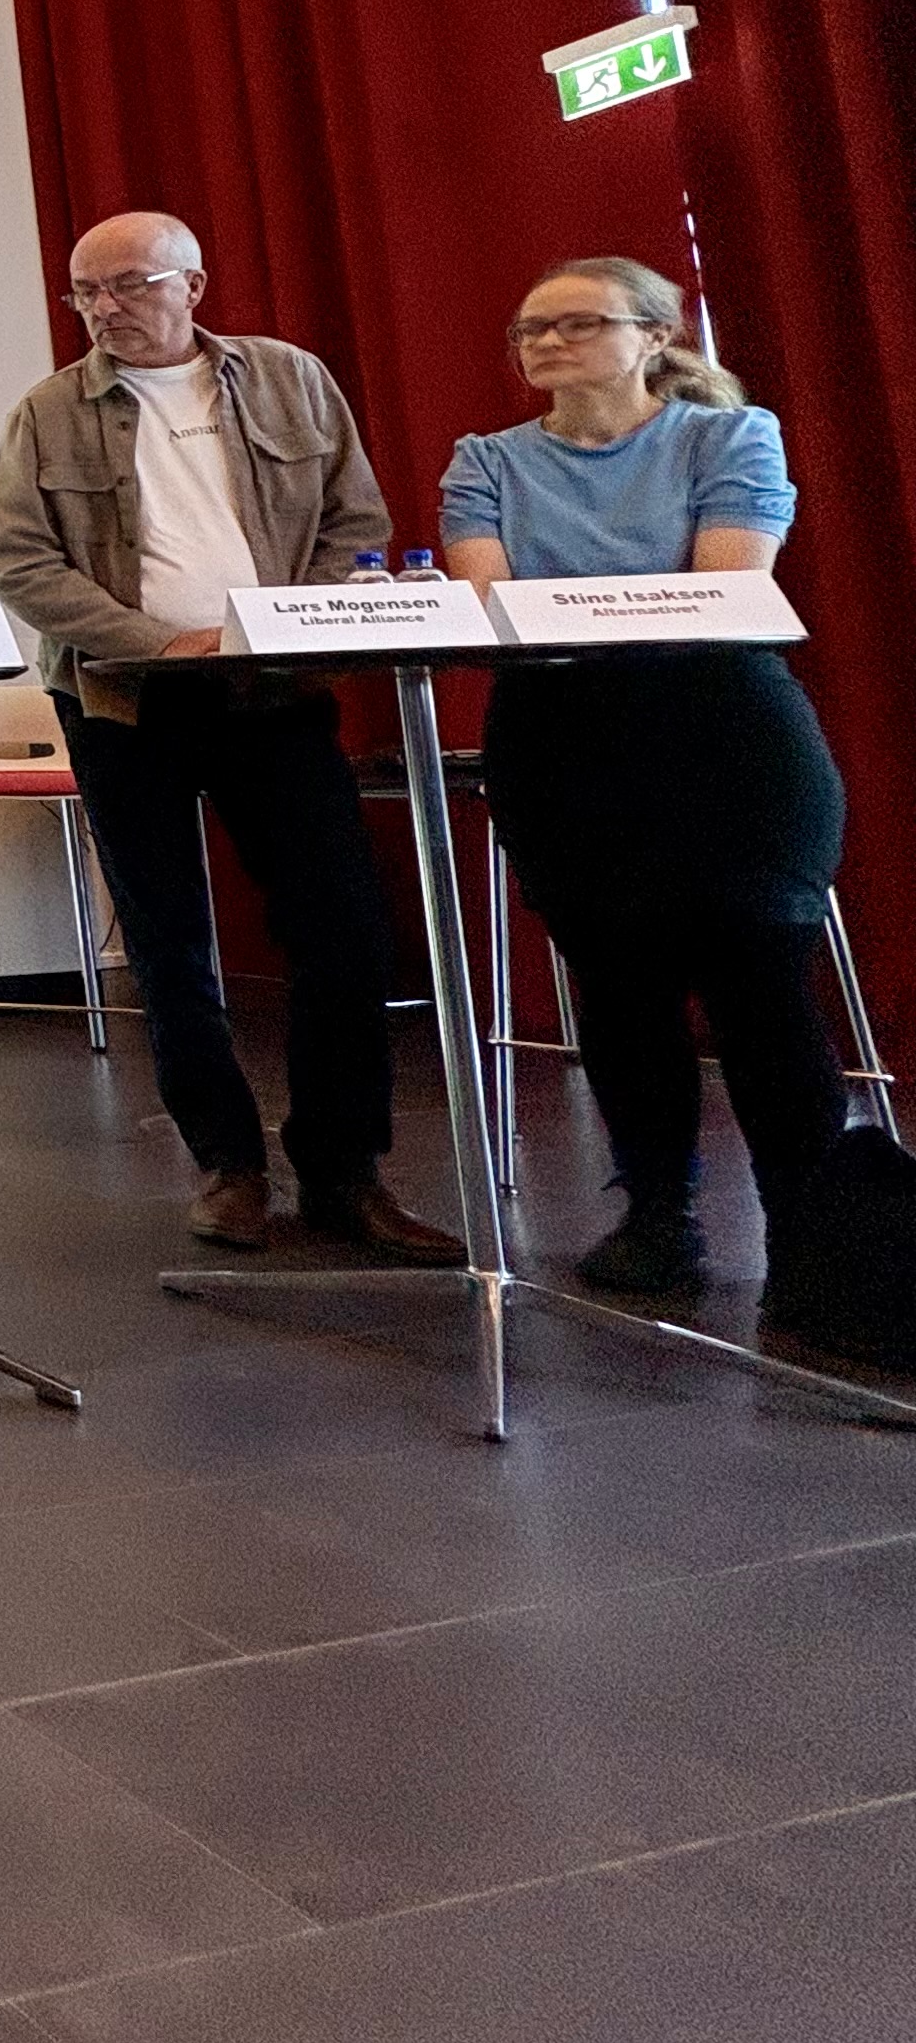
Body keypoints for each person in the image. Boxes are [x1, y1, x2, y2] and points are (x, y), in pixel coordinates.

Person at [0, 210, 463, 1260]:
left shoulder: (291, 379)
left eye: (128, 285)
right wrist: (161, 643)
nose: (105, 309)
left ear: (193, 285)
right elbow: (23, 563)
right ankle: (227, 1164)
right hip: (124, 700)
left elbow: (355, 523)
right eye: (86, 292)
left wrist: (278, 630)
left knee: (342, 927)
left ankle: (343, 1170)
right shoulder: (48, 412)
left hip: (275, 693)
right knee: (168, 942)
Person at [439, 258, 849, 1301]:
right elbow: (489, 611)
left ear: (657, 333)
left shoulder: (729, 436)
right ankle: (659, 1217)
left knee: (762, 986)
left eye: (576, 323)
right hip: (561, 742)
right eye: (529, 330)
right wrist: (613, 607)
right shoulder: (485, 460)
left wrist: (573, 609)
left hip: (725, 732)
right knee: (620, 991)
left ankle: (814, 1240)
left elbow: (723, 589)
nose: (546, 343)